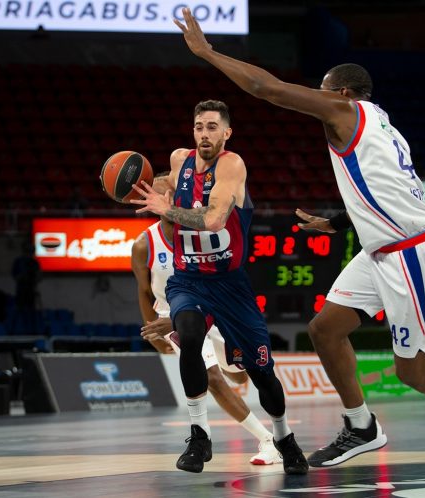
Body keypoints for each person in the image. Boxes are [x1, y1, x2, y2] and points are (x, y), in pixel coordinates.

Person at [172, 8, 425, 475]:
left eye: (322, 92)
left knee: (412, 370)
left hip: (414, 252)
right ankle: (361, 425)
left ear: (341, 94)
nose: (316, 100)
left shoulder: (345, 111)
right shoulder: (380, 122)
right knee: (325, 329)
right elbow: (387, 189)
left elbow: (267, 89)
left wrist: (207, 52)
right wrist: (339, 223)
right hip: (382, 249)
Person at [130, 100, 308, 475]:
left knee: (259, 373)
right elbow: (161, 191)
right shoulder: (178, 161)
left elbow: (212, 221)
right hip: (188, 281)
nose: (204, 133)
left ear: (226, 133)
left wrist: (165, 208)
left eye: (212, 127)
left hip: (229, 285)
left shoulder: (232, 165)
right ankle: (199, 436)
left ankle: (284, 438)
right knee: (189, 334)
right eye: (199, 126)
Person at [131, 172, 282, 466]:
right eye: (156, 195)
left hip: (212, 309)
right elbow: (143, 291)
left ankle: (231, 366)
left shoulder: (204, 232)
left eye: (167, 193)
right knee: (212, 378)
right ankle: (267, 440)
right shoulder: (143, 244)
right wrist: (154, 332)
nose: (160, 199)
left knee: (239, 374)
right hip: (175, 317)